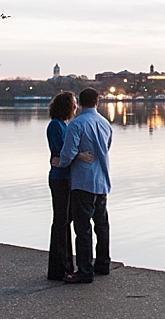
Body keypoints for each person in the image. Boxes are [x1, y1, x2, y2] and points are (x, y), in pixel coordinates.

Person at [58, 87, 113, 284]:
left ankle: (85, 270)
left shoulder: (76, 124)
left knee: (83, 229)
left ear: (80, 103)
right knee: (102, 226)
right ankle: (103, 264)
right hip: (102, 180)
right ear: (97, 102)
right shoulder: (106, 124)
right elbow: (106, 148)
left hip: (83, 182)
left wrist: (61, 163)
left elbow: (68, 153)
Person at [45, 91, 76, 281]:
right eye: (73, 104)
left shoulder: (64, 125)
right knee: (61, 220)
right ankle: (58, 267)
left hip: (66, 176)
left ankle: (66, 264)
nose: (75, 107)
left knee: (66, 220)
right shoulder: (55, 126)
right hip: (59, 178)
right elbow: (62, 151)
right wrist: (78, 155)